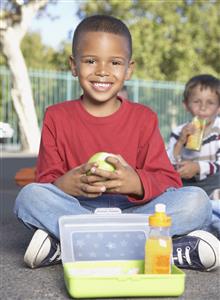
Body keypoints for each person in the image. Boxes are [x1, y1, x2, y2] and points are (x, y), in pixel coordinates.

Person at [14, 15, 219, 272]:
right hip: (80, 210)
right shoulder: (56, 116)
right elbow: (46, 180)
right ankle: (160, 251)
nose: (102, 70)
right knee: (29, 198)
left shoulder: (144, 118)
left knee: (197, 202)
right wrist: (65, 183)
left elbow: (169, 181)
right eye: (90, 60)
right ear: (74, 65)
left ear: (129, 69)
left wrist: (136, 182)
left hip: (137, 212)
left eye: (115, 62)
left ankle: (69, 247)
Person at [167, 74, 220, 239]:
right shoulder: (179, 132)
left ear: (219, 108)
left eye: (210, 103)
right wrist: (180, 143)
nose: (203, 108)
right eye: (197, 102)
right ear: (186, 105)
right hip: (188, 188)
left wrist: (198, 167)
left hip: (214, 186)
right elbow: (167, 163)